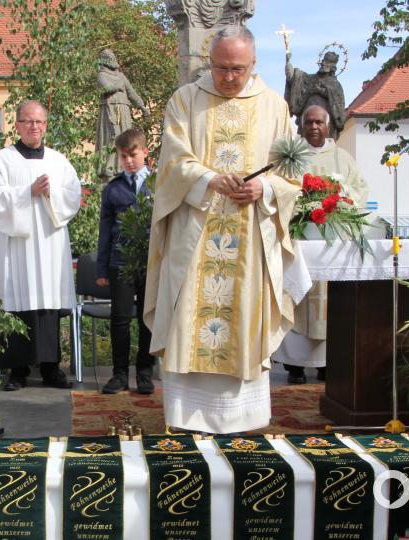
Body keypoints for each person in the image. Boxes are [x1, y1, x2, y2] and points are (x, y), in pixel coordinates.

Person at [144, 27, 309, 434]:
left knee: (244, 315)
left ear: (253, 64)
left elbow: (292, 174)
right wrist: (210, 180)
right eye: (221, 67)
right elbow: (172, 164)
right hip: (195, 237)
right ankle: (185, 416)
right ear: (210, 62)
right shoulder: (185, 101)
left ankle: (243, 417)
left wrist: (264, 187)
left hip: (249, 239)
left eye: (237, 68)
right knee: (188, 317)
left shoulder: (273, 107)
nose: (229, 77)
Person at [0, 100, 81, 391]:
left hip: (50, 242)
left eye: (39, 122)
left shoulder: (57, 160)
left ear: (46, 125)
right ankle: (17, 370)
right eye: (28, 121)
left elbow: (73, 195)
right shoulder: (4, 159)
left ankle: (52, 369)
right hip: (18, 244)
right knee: (18, 299)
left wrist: (52, 194)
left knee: (48, 302)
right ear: (17, 125)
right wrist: (28, 192)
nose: (34, 127)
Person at [275, 104, 370, 383]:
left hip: (333, 245)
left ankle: (327, 363)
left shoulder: (342, 158)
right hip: (298, 243)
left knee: (330, 305)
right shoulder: (290, 157)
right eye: (308, 122)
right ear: (301, 126)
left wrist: (337, 191)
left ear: (328, 126)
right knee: (296, 296)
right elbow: (279, 189)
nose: (314, 127)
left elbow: (361, 192)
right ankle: (293, 365)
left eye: (319, 122)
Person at [96, 128, 155, 395]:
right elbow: (105, 230)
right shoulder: (114, 188)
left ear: (145, 152)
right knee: (119, 318)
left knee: (147, 317)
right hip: (120, 263)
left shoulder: (159, 184)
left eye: (133, 155)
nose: (128, 161)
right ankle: (119, 374)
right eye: (123, 156)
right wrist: (101, 267)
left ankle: (144, 372)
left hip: (151, 262)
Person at [96, 49, 149, 178]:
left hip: (124, 110)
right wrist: (118, 86)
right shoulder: (101, 75)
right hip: (110, 108)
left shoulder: (120, 76)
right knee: (112, 137)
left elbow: (131, 92)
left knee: (127, 140)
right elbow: (106, 88)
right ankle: (107, 167)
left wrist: (142, 106)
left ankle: (122, 167)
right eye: (110, 57)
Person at [285, 51, 347, 140]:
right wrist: (288, 64)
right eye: (323, 60)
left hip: (324, 126)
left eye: (327, 61)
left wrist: (324, 92)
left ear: (333, 67)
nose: (323, 63)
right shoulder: (310, 79)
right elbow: (295, 79)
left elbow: (338, 110)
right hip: (307, 123)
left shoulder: (335, 85)